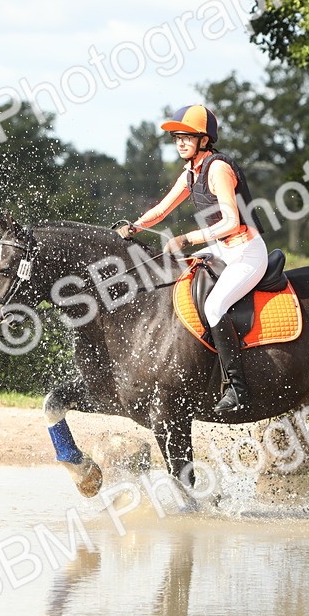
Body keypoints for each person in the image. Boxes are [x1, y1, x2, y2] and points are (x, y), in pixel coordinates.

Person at [115, 104, 267, 414]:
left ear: (204, 139)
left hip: (246, 251)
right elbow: (162, 210)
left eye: (188, 137)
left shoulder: (218, 168)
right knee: (175, 279)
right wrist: (135, 226)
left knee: (213, 306)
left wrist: (188, 238)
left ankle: (237, 388)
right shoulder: (191, 173)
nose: (180, 142)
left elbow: (231, 222)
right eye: (177, 138)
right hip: (222, 250)